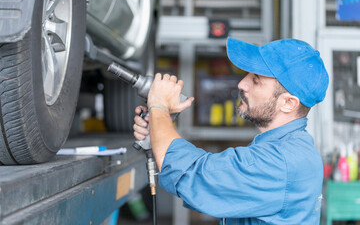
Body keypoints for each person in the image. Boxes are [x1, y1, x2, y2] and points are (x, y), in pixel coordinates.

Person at [133, 37, 329, 224]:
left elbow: (194, 176)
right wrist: (161, 125)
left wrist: (158, 106)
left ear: (288, 103)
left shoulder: (280, 162)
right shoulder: (291, 148)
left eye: (256, 79)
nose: (242, 83)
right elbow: (220, 194)